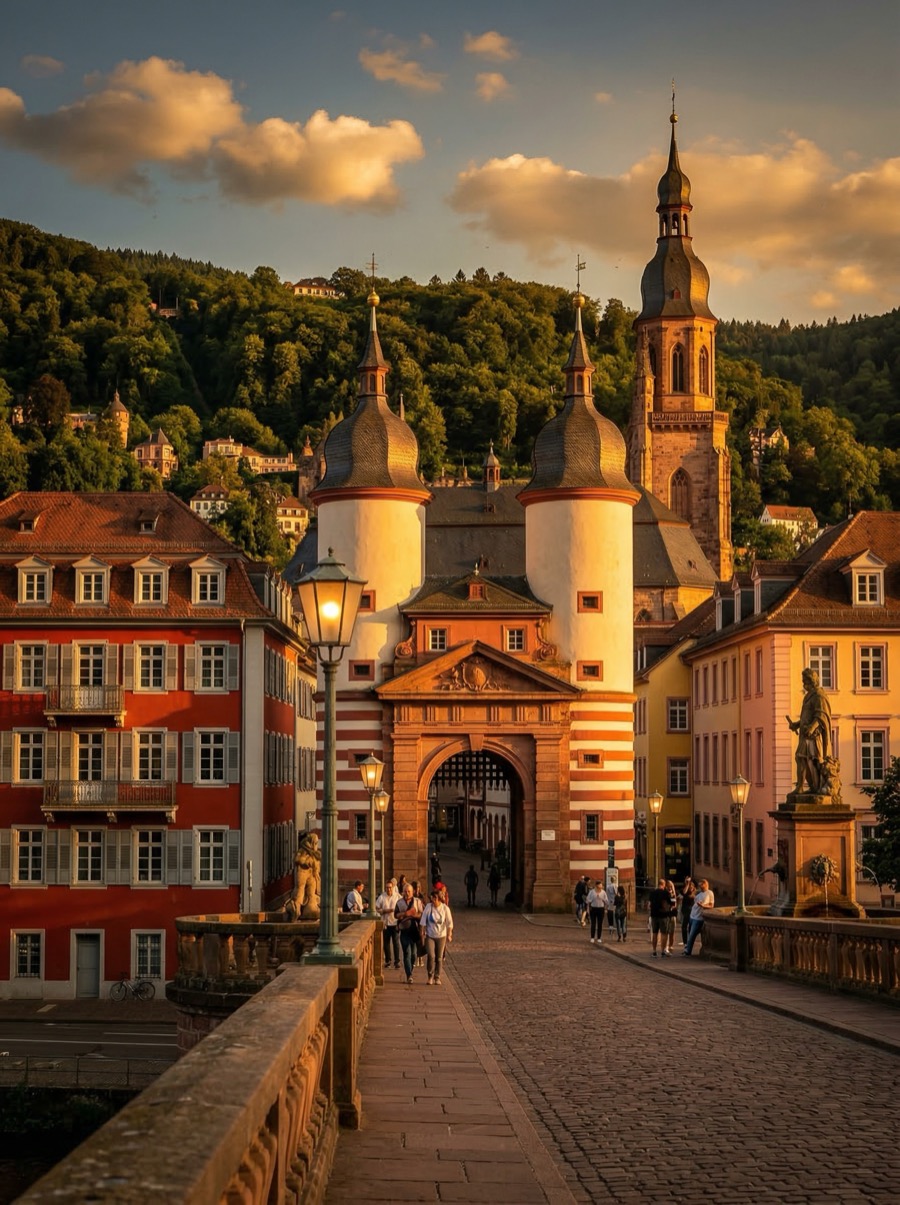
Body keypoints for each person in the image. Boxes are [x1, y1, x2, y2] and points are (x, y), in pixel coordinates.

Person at [786, 667, 832, 794]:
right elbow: (806, 716)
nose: (803, 684)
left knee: (811, 760)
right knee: (802, 759)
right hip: (805, 733)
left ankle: (813, 786)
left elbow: (821, 715)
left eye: (804, 681)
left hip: (813, 736)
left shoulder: (819, 695)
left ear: (810, 681)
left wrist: (812, 727)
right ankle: (807, 786)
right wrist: (796, 725)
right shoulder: (808, 696)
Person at [420, 887, 454, 985]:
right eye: (432, 898)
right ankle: (430, 975)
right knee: (431, 955)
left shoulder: (445, 909)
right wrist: (422, 931)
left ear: (439, 899)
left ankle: (437, 977)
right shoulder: (428, 907)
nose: (433, 901)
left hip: (441, 936)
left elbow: (449, 922)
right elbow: (423, 920)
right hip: (430, 935)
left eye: (435, 899)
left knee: (439, 958)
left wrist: (449, 934)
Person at [395, 883, 423, 984]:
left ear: (412, 892)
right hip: (404, 931)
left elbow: (421, 914)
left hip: (414, 931)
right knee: (407, 952)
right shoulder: (399, 903)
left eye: (409, 891)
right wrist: (405, 914)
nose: (407, 893)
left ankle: (410, 970)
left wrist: (414, 915)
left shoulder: (417, 901)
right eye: (405, 891)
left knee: (414, 954)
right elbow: (396, 915)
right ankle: (409, 975)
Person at [683, 878, 715, 956]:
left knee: (692, 935)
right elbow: (685, 893)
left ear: (706, 885)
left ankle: (688, 951)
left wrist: (703, 905)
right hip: (692, 916)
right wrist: (687, 883)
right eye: (700, 886)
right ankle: (687, 949)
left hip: (698, 918)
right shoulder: (698, 893)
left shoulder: (709, 893)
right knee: (689, 933)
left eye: (702, 885)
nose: (700, 887)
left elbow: (711, 905)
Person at [375, 878, 401, 968]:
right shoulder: (382, 897)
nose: (388, 889)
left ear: (393, 887)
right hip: (386, 922)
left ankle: (397, 961)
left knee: (396, 942)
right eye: (387, 888)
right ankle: (388, 960)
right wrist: (385, 910)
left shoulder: (397, 896)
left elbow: (402, 907)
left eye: (390, 887)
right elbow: (376, 908)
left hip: (395, 922)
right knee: (386, 943)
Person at [648, 878, 675, 957]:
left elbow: (649, 905)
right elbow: (672, 904)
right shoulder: (665, 893)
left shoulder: (652, 893)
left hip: (654, 915)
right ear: (664, 885)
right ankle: (663, 951)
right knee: (664, 933)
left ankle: (654, 951)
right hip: (663, 915)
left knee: (655, 933)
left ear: (658, 884)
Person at [586, 879, 609, 945]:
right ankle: (592, 937)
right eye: (600, 885)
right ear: (596, 885)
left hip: (601, 909)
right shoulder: (592, 892)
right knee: (593, 923)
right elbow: (587, 900)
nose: (601, 886)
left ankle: (599, 938)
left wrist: (603, 899)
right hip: (593, 909)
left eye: (601, 885)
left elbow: (607, 902)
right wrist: (592, 899)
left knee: (600, 924)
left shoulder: (603, 892)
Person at [679, 877, 696, 946]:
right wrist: (687, 884)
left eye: (692, 887)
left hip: (691, 911)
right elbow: (684, 891)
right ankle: (685, 942)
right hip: (685, 910)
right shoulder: (685, 893)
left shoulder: (694, 894)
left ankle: (689, 941)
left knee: (689, 926)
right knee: (684, 926)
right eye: (690, 887)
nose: (691, 888)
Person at [665, 881, 678, 954]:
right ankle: (666, 946)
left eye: (671, 887)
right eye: (668, 886)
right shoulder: (665, 894)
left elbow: (674, 904)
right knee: (666, 931)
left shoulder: (673, 894)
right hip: (667, 915)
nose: (670, 888)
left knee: (672, 932)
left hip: (672, 914)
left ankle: (671, 945)